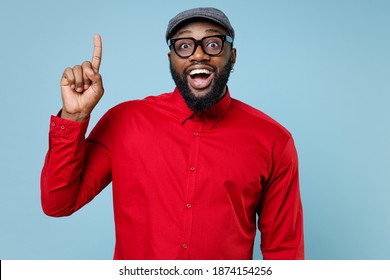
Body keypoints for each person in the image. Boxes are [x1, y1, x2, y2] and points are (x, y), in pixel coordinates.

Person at [41, 7, 304, 260]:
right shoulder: (125, 122)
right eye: (184, 45)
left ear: (232, 56)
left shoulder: (273, 140)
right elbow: (58, 203)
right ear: (171, 59)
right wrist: (74, 117)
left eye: (213, 44)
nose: (198, 55)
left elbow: (284, 251)